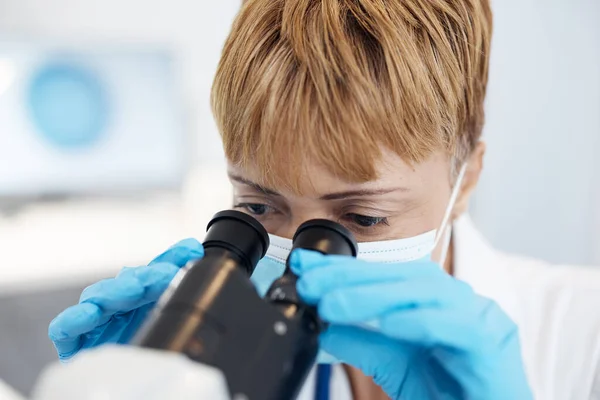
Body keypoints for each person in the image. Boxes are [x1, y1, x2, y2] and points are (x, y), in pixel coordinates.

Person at [48, 0, 600, 399]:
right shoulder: (214, 362)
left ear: (468, 179)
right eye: (258, 211)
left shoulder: (584, 335)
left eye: (362, 217)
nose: (301, 263)